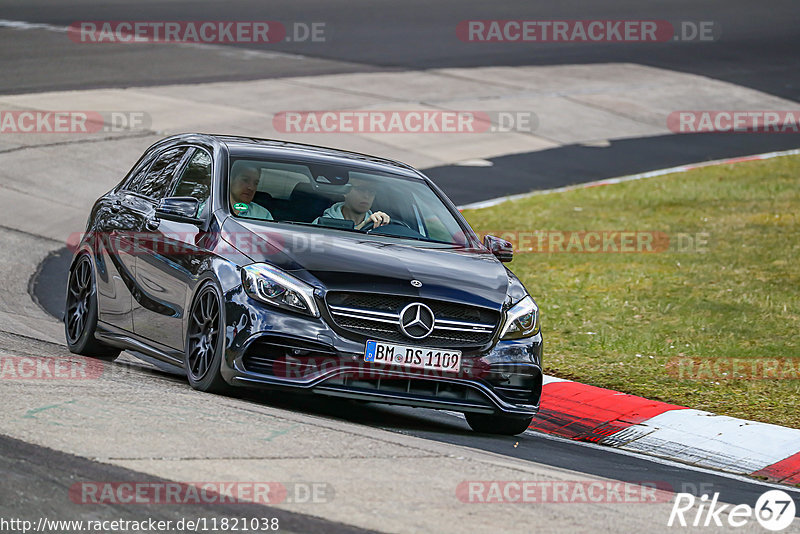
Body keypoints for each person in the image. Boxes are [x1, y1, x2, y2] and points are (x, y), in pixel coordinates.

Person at [313, 177, 389, 229]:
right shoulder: (321, 223)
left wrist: (385, 223)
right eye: (361, 189)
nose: (366, 196)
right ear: (345, 191)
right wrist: (364, 225)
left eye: (371, 191)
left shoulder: (379, 225)